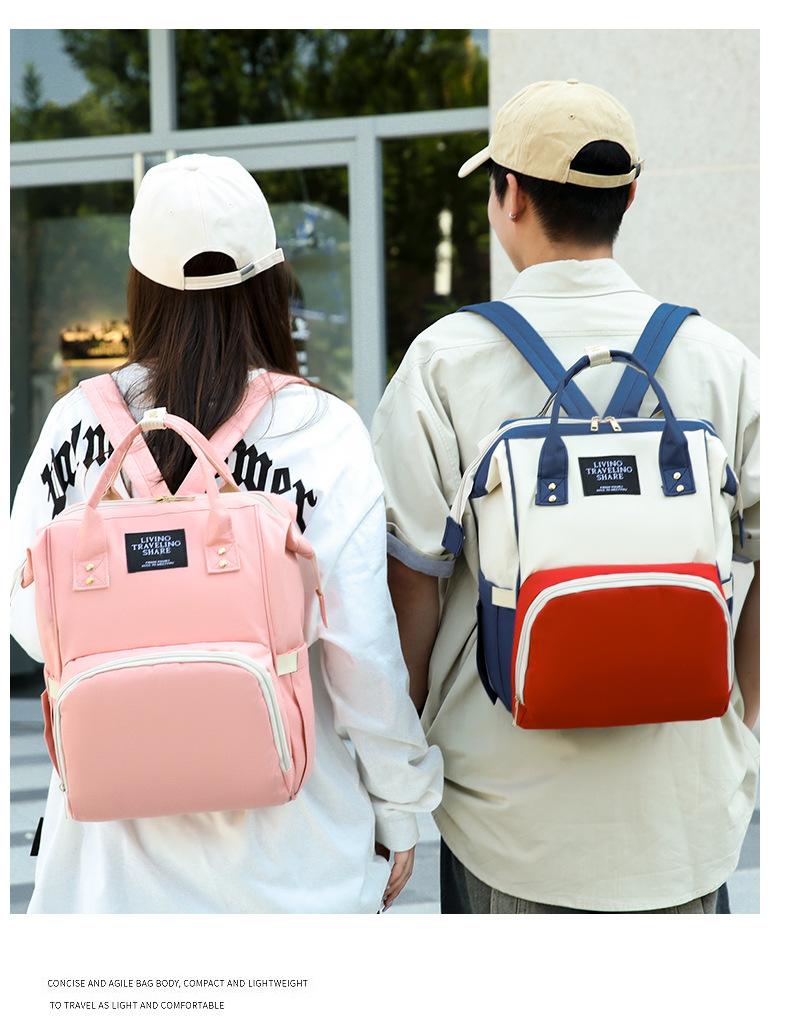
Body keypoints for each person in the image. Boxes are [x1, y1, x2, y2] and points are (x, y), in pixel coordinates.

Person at [10, 153, 442, 914]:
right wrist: (398, 802)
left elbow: (29, 627)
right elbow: (362, 651)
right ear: (269, 280)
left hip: (110, 881)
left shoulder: (75, 424)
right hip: (291, 865)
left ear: (139, 284)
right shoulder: (320, 428)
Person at [372, 80, 759, 914]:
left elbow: (409, 585)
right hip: (684, 822)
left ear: (509, 196)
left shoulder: (445, 364)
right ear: (628, 197)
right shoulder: (721, 360)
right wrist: (739, 711)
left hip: (510, 824)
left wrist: (402, 759)